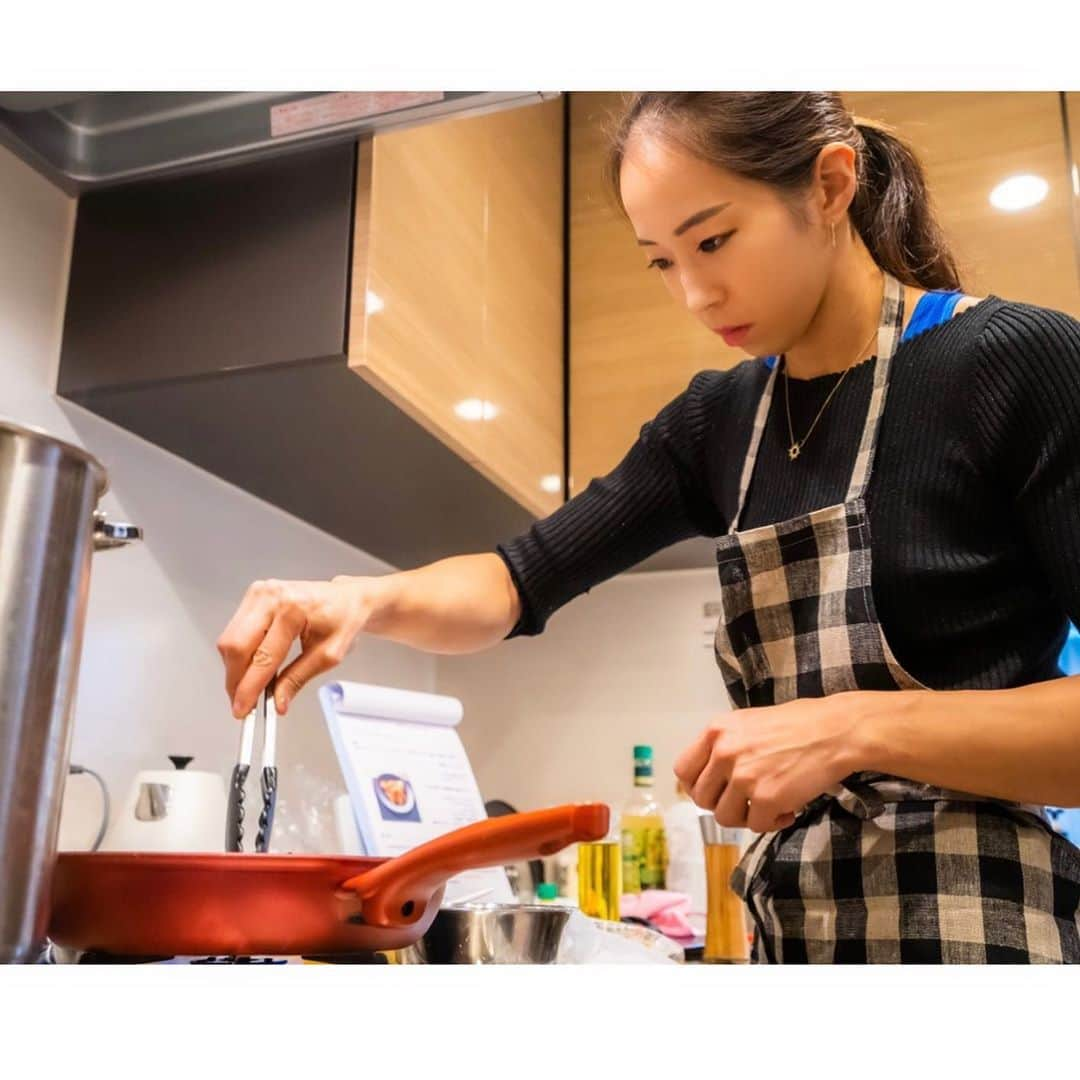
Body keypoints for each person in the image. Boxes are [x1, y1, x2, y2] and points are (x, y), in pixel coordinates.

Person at [217, 92, 1080, 964]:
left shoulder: (1015, 363)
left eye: (712, 241)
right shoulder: (719, 423)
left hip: (989, 934)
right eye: (661, 262)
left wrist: (847, 729)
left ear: (829, 184)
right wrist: (359, 599)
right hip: (794, 937)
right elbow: (517, 579)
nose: (696, 294)